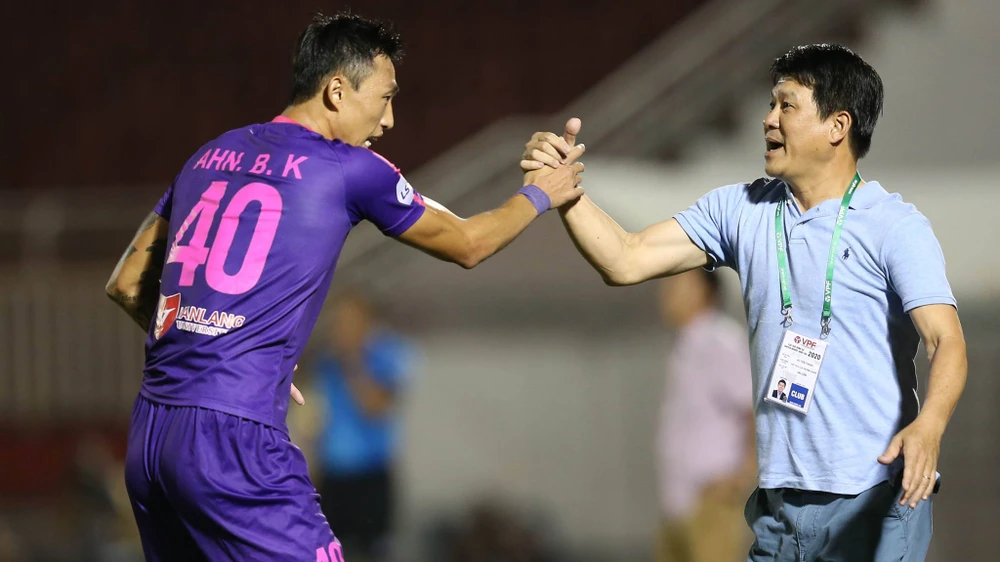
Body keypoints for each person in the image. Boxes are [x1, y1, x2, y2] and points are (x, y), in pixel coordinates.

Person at [104, 13, 585, 561]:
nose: (389, 120)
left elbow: (126, 284)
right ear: (337, 90)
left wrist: (215, 345)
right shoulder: (349, 168)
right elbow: (469, 243)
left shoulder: (207, 156)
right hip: (233, 443)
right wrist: (540, 192)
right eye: (385, 98)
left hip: (151, 434)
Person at [524, 44, 967, 561]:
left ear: (837, 126)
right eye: (771, 104)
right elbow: (624, 259)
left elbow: (946, 340)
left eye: (787, 105)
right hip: (779, 509)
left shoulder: (895, 226)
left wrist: (930, 426)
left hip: (873, 496)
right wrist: (565, 193)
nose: (768, 119)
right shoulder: (741, 209)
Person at [656, 270, 755, 562]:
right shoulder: (685, 343)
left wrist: (742, 475)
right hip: (678, 497)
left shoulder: (720, 340)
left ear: (704, 292)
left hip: (711, 494)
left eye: (677, 284)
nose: (667, 293)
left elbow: (752, 408)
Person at [312, 291, 414, 561]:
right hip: (333, 475)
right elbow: (318, 417)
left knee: (373, 552)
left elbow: (375, 408)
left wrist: (352, 360)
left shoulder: (387, 354)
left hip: (370, 475)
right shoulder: (326, 361)